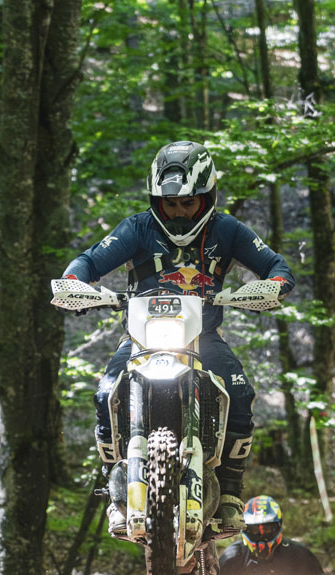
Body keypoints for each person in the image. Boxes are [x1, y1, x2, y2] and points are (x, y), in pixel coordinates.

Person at [60, 140, 295, 533]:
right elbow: (88, 261)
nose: (180, 212)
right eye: (171, 204)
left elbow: (276, 265)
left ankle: (231, 492)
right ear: (157, 200)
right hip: (141, 338)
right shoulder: (137, 228)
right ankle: (115, 490)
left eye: (188, 203)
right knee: (105, 394)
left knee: (240, 392)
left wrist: (272, 286)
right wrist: (74, 282)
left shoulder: (227, 230)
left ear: (207, 198)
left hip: (203, 336)